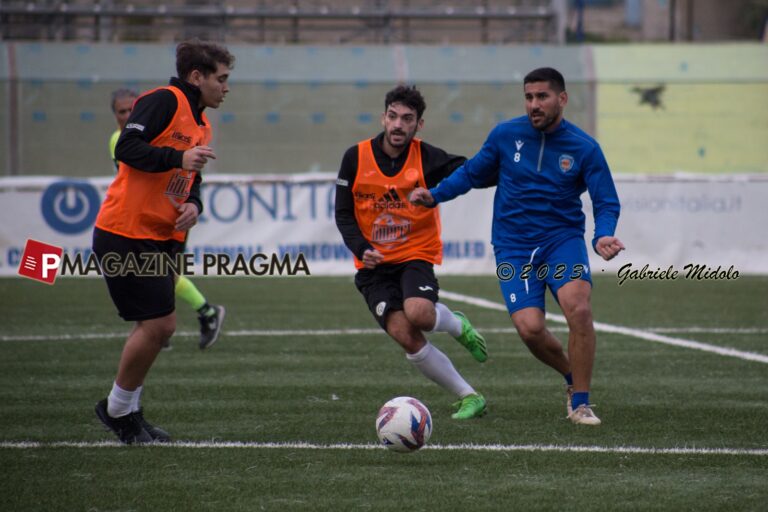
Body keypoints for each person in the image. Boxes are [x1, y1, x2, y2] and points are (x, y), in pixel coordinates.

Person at [409, 68, 624, 426]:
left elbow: (607, 202)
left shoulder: (585, 148)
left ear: (562, 99)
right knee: (530, 328)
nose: (534, 105)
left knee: (579, 309)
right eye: (528, 97)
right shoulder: (506, 135)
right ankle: (573, 376)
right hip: (513, 246)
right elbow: (472, 173)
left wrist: (602, 234)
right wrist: (434, 195)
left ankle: (581, 402)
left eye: (542, 97)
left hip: (562, 241)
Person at [93, 40, 234, 444]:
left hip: (160, 235)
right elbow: (128, 147)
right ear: (196, 77)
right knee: (161, 324)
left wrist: (193, 202)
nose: (226, 88)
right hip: (125, 231)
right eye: (221, 79)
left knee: (154, 326)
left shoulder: (202, 122)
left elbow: (193, 178)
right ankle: (117, 410)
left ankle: (130, 413)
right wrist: (178, 160)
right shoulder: (164, 100)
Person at [335, 84, 488, 420]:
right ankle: (470, 396)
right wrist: (362, 248)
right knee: (405, 333)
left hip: (415, 254)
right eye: (393, 116)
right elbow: (343, 214)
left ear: (419, 124)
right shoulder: (355, 157)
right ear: (383, 117)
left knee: (419, 313)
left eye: (407, 118)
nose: (398, 125)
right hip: (373, 266)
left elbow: (471, 171)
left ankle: (455, 324)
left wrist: (438, 191)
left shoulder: (427, 156)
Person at [108, 88, 226, 352]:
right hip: (138, 218)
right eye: (121, 111)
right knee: (155, 273)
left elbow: (187, 175)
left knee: (163, 273)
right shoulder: (120, 139)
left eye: (131, 109)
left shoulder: (189, 126)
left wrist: (192, 202)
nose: (127, 115)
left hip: (168, 217)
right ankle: (191, 317)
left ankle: (193, 316)